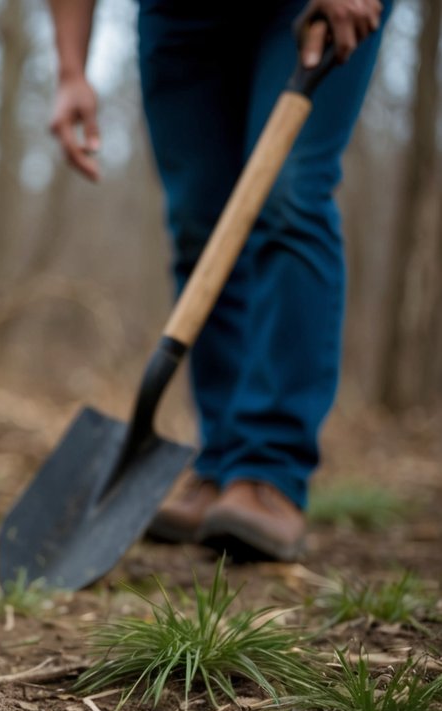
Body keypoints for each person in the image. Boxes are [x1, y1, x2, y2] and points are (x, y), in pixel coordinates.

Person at [48, 0, 389, 561]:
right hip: (179, 14)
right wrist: (70, 70)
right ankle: (224, 462)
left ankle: (269, 471)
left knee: (290, 195)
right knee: (197, 222)